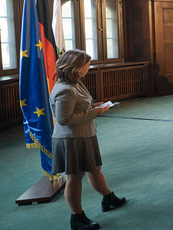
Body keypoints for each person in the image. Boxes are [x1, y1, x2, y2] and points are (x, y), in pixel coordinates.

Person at [50, 49, 125, 230]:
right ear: (76, 68)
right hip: (72, 139)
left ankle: (108, 197)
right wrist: (94, 112)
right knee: (74, 178)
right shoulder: (65, 90)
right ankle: (77, 218)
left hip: (85, 134)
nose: (89, 67)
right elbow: (64, 119)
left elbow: (79, 105)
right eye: (87, 65)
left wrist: (94, 106)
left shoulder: (76, 83)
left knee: (94, 169)